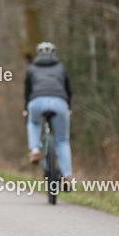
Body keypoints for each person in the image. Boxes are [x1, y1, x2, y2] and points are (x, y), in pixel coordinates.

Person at [23, 41, 73, 188]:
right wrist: (68, 107)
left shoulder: (31, 68)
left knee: (33, 122)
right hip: (60, 102)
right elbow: (68, 89)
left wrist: (26, 108)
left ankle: (35, 149)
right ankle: (67, 176)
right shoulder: (61, 67)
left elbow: (27, 91)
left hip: (37, 101)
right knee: (62, 140)